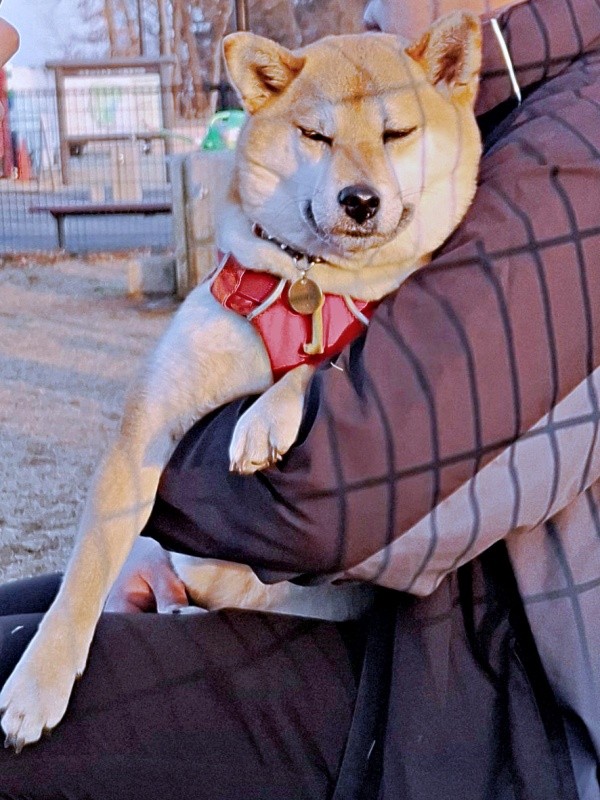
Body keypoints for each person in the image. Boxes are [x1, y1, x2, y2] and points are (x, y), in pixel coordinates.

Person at [1, 0, 599, 796]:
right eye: (319, 138)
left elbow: (347, 487)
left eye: (392, 138)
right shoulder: (504, 99)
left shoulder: (568, 145)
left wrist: (166, 492)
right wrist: (148, 533)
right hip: (383, 627)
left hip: (472, 694)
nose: (373, 12)